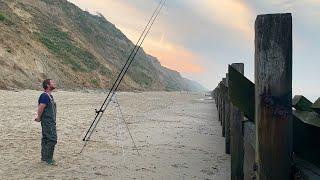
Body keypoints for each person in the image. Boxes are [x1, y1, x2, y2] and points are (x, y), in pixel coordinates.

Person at [35, 79, 57, 165]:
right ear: (47, 85)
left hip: (49, 121)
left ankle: (44, 158)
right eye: (53, 82)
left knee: (46, 138)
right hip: (48, 122)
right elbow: (41, 107)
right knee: (52, 139)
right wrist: (38, 117)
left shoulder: (49, 96)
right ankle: (48, 159)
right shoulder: (44, 96)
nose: (54, 83)